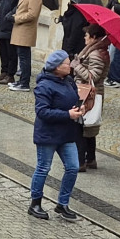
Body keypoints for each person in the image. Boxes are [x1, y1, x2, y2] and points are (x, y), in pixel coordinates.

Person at [28, 50, 83, 221]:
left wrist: (80, 108)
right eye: (68, 63)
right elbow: (42, 111)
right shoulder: (44, 85)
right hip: (48, 134)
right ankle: (35, 203)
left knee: (73, 167)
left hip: (67, 133)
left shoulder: (68, 80)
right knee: (44, 168)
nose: (71, 65)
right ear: (57, 67)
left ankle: (63, 204)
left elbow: (74, 100)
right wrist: (67, 114)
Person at [72, 24, 110, 173]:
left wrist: (76, 65)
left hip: (88, 93)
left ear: (94, 37)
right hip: (89, 93)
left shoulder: (95, 54)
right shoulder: (96, 51)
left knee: (81, 127)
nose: (84, 38)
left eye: (86, 36)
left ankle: (81, 161)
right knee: (89, 128)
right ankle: (91, 159)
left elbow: (92, 76)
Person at [8, 0, 44, 91]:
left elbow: (32, 14)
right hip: (20, 29)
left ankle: (24, 83)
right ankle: (21, 81)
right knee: (22, 56)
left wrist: (16, 18)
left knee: (24, 58)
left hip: (26, 30)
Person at [0, 0, 24, 84]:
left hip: (10, 24)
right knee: (2, 50)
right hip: (1, 23)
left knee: (11, 52)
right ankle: (4, 71)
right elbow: (1, 2)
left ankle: (10, 74)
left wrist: (9, 15)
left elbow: (18, 6)